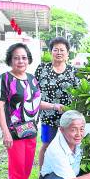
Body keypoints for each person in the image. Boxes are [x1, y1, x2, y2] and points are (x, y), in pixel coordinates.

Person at [0, 43, 64, 179]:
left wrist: (55, 106)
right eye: (16, 57)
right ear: (10, 59)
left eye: (24, 57)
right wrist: (5, 132)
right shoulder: (4, 79)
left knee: (26, 167)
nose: (20, 61)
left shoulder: (32, 79)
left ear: (28, 59)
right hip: (14, 133)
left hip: (30, 130)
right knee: (17, 168)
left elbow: (35, 103)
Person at [35, 37, 79, 167]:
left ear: (67, 53)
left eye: (62, 50)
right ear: (51, 52)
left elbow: (79, 92)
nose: (59, 53)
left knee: (69, 145)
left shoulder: (73, 71)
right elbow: (34, 92)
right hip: (48, 115)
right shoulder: (42, 68)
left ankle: (65, 172)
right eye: (56, 50)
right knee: (47, 144)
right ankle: (43, 173)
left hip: (68, 116)